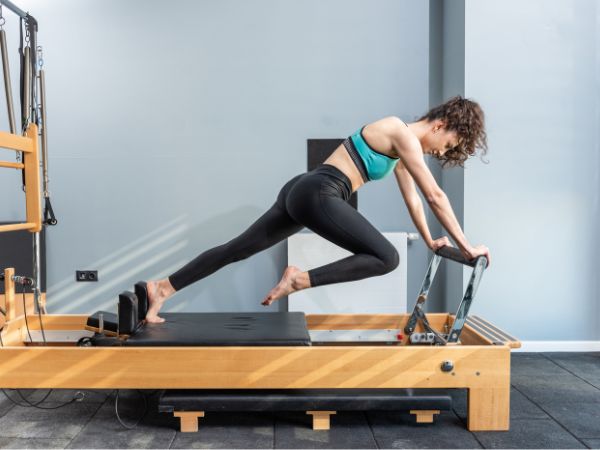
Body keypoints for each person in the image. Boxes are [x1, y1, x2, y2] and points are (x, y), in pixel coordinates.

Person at [145, 96, 491, 323]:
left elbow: (414, 197)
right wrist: (468, 246)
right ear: (440, 125)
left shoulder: (402, 147)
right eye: (447, 145)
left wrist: (431, 240)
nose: (441, 153)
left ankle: (163, 287)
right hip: (319, 193)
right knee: (387, 258)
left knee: (237, 249)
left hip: (303, 189)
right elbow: (435, 196)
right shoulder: (398, 131)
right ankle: (299, 278)